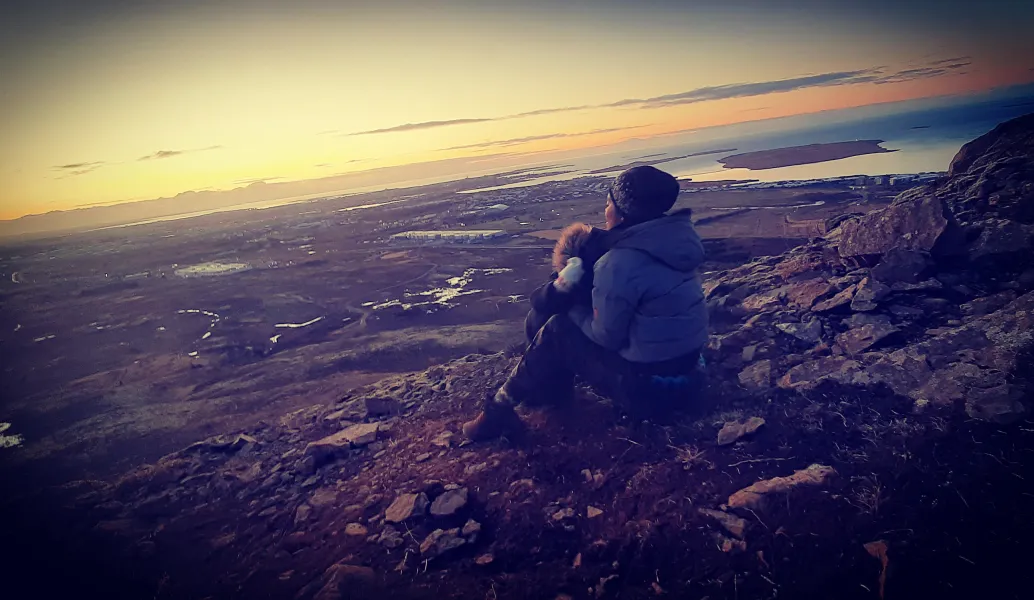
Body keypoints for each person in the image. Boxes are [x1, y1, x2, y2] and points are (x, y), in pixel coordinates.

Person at [463, 165, 709, 441]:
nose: (605, 211)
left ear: (622, 212)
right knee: (565, 325)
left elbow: (607, 336)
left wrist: (572, 309)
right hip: (692, 372)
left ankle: (498, 411)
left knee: (558, 328)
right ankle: (545, 397)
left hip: (653, 392)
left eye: (608, 203)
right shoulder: (675, 240)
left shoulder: (619, 262)